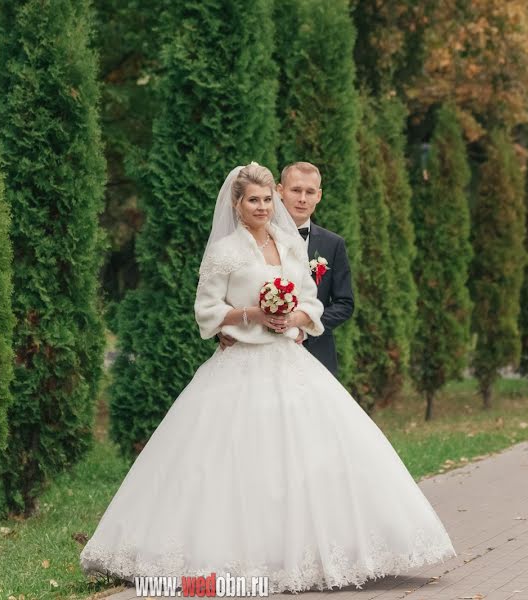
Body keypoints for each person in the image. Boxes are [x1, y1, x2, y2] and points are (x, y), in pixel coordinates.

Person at [79, 163, 455, 593]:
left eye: (265, 200)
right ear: (237, 205)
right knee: (232, 464)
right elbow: (206, 312)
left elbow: (313, 302)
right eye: (253, 200)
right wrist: (251, 315)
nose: (261, 206)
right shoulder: (224, 252)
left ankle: (317, 554)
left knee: (313, 459)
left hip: (290, 362)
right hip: (239, 364)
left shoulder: (290, 243)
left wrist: (294, 317)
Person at [219, 162, 354, 377]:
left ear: (318, 195)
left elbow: (344, 303)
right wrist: (224, 329)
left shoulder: (333, 244)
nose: (302, 198)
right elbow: (226, 290)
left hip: (316, 355)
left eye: (310, 192)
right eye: (296, 190)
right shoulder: (252, 236)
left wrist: (303, 326)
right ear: (280, 191)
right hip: (256, 356)